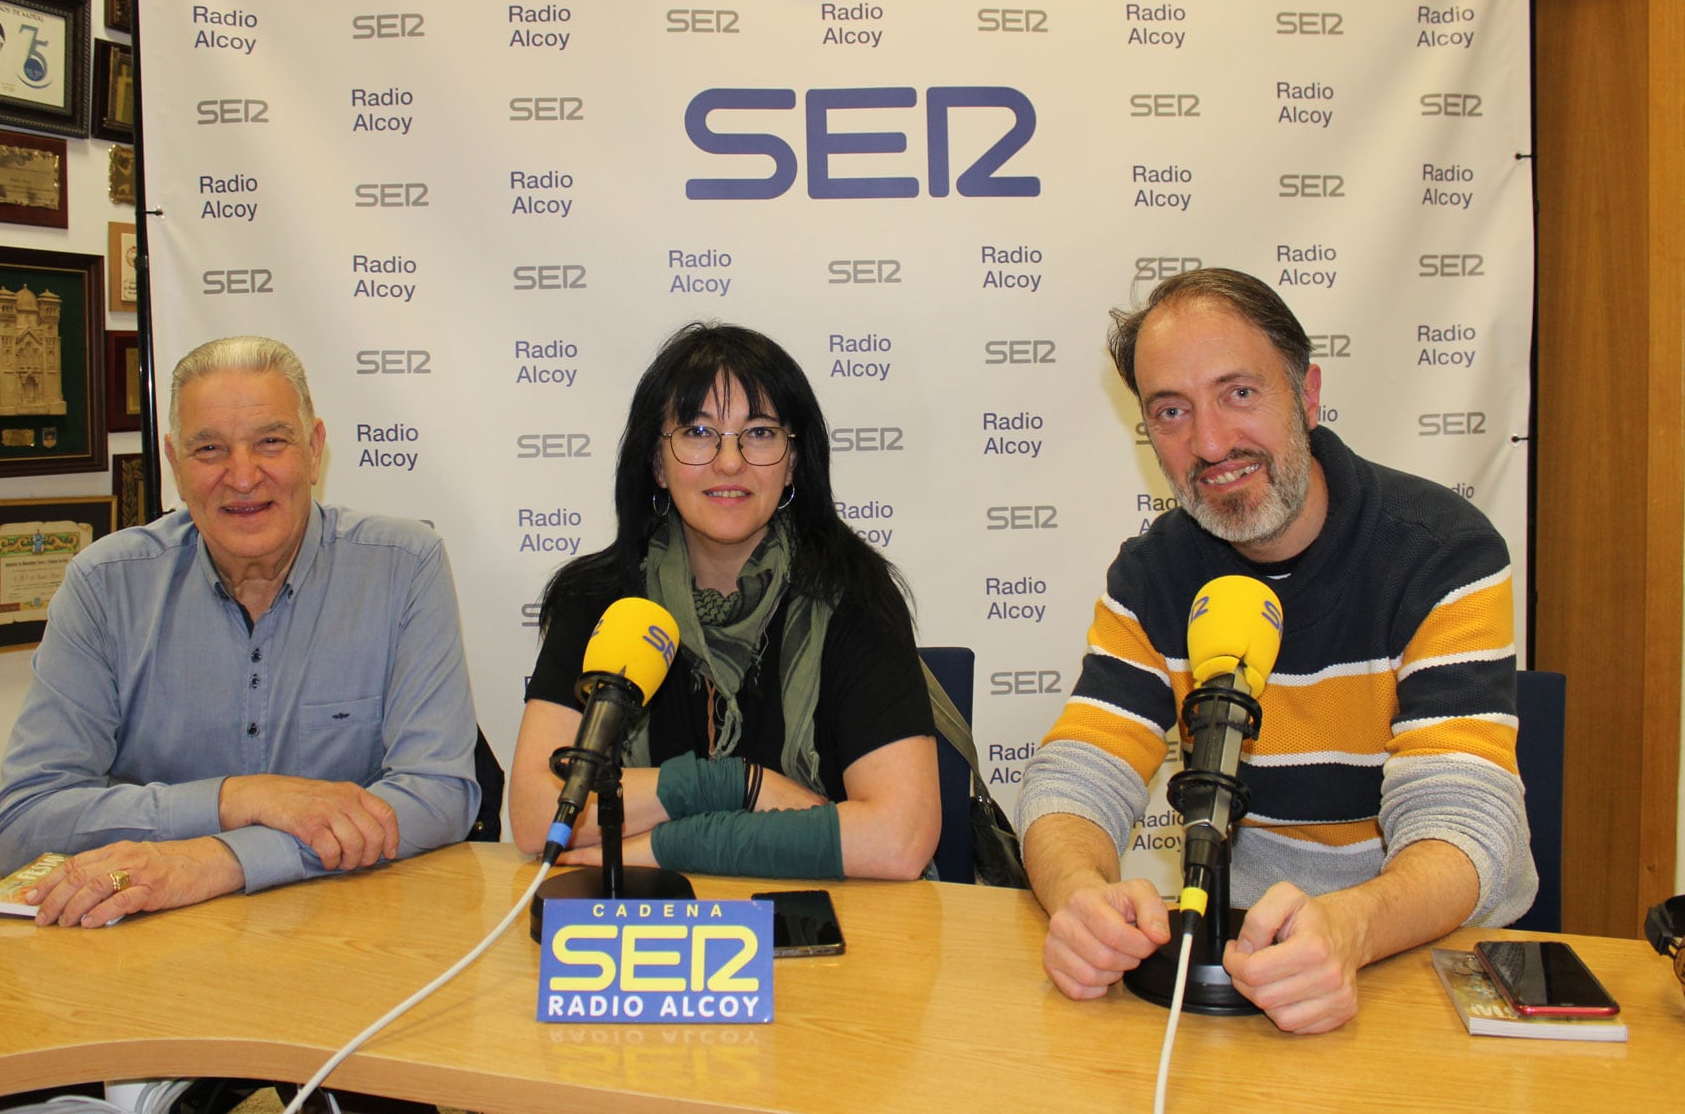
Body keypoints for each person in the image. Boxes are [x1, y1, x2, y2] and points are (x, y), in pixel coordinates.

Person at [1017, 268, 1535, 1033]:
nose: (1212, 443)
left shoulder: (1439, 553)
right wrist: (1080, 895)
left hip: (1426, 954)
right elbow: (1078, 771)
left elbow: (1462, 819)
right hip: (1245, 953)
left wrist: (1352, 929)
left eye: (1239, 393)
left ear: (1307, 392)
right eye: (1171, 411)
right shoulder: (1156, 572)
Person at [0, 335, 487, 930]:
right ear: (174, 464)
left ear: (315, 449)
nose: (243, 476)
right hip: (148, 957)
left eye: (271, 442)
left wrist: (217, 858)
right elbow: (23, 818)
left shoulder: (403, 565)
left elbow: (438, 797)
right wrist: (237, 798)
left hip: (352, 938)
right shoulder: (106, 586)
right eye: (209, 449)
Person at [509, 322, 939, 880]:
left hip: (826, 930)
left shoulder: (852, 594)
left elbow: (898, 839)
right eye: (697, 432)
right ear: (657, 464)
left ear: (793, 461)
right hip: (644, 936)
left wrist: (659, 847)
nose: (730, 462)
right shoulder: (596, 600)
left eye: (759, 433)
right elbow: (536, 812)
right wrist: (734, 786)